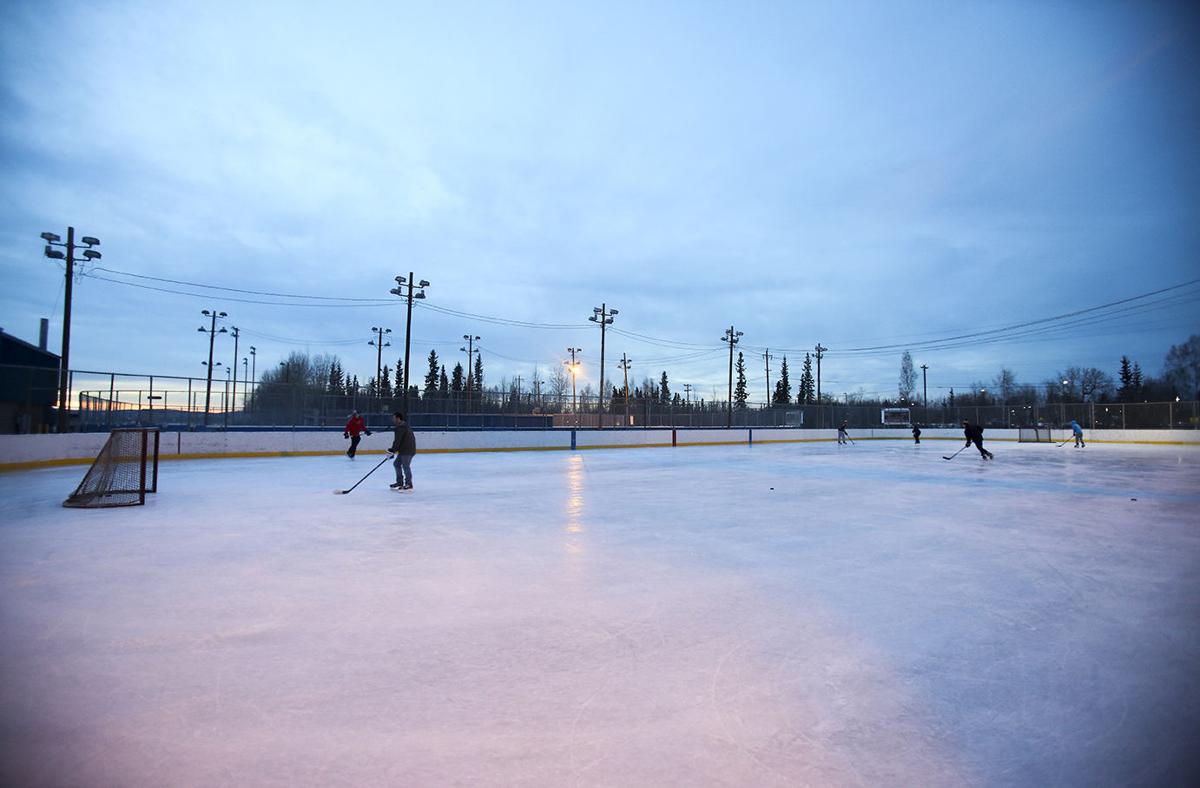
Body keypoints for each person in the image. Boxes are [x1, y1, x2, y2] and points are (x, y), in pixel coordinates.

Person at [388, 411, 417, 491]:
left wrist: (393, 450)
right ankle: (400, 482)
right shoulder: (403, 426)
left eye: (393, 418)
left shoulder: (401, 427)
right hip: (404, 450)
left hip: (407, 450)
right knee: (396, 464)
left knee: (405, 466)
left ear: (398, 418)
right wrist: (393, 450)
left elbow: (397, 440)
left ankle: (408, 484)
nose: (392, 420)